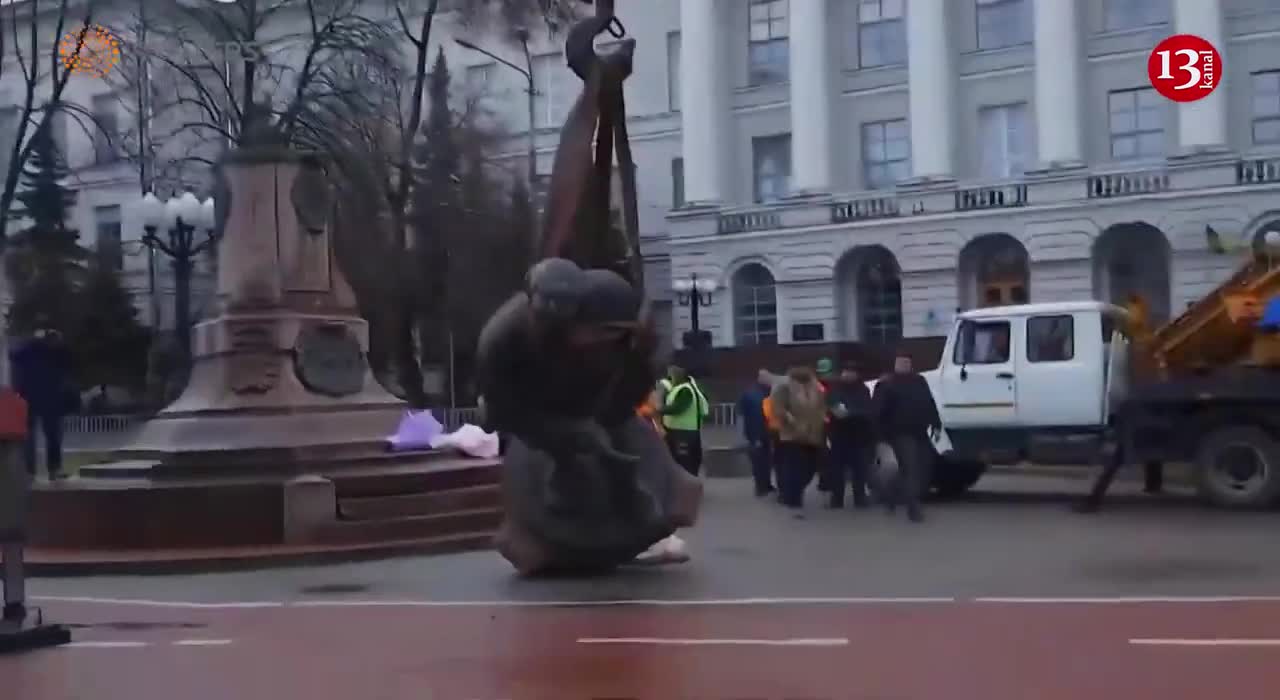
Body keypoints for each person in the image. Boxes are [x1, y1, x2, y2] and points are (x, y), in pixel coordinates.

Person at [872, 351, 941, 523]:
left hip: (920, 432)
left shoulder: (919, 381)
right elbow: (878, 412)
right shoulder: (887, 384)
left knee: (918, 468)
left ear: (911, 365)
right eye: (900, 362)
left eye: (906, 363)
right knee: (911, 470)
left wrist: (936, 423)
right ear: (895, 365)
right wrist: (880, 436)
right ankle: (913, 508)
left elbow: (929, 402)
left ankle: (889, 495)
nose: (903, 365)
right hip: (899, 433)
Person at [9, 326, 74, 480]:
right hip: (34, 398)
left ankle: (51, 470)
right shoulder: (32, 349)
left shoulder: (57, 352)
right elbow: (14, 356)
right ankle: (33, 471)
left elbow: (66, 370)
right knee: (34, 437)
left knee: (51, 436)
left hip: (47, 399)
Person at [771, 365, 828, 516]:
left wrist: (823, 419)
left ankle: (793, 492)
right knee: (795, 468)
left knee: (811, 468)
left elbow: (822, 406)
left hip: (814, 435)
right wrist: (789, 418)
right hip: (792, 436)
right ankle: (794, 500)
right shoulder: (784, 387)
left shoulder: (816, 387)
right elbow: (778, 408)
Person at [825, 362, 876, 509]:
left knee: (859, 469)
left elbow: (866, 410)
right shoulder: (834, 389)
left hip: (858, 436)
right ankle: (837, 499)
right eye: (846, 371)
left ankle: (859, 497)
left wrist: (851, 413)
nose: (848, 374)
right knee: (837, 470)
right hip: (838, 435)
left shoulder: (862, 390)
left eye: (851, 372)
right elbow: (831, 407)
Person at [660, 364, 710, 476]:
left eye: (671, 376)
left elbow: (678, 408)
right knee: (691, 461)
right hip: (690, 432)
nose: (670, 378)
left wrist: (658, 410)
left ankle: (685, 487)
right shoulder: (689, 387)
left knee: (684, 462)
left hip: (682, 433)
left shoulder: (684, 390)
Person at [737, 369, 775, 497]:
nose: (770, 381)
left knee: (765, 460)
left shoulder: (760, 393)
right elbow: (745, 415)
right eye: (768, 378)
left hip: (761, 432)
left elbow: (742, 414)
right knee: (760, 461)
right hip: (757, 433)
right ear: (761, 379)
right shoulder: (759, 394)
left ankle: (765, 485)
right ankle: (761, 487)